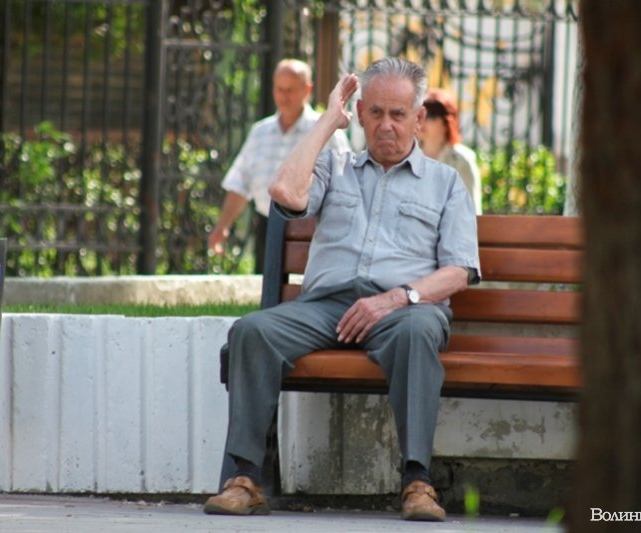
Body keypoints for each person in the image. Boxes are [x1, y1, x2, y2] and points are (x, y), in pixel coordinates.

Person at [203, 58, 480, 521]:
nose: (386, 125)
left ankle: (417, 483)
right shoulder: (336, 166)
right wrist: (327, 121)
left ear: (418, 118)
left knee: (417, 333)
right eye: (375, 112)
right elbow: (284, 193)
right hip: (325, 307)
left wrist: (396, 298)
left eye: (398, 114)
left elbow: (460, 271)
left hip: (404, 310)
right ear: (360, 114)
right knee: (251, 331)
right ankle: (246, 478)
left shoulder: (445, 183)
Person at [208, 58, 350, 272]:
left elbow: (345, 182)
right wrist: (223, 226)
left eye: (290, 90)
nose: (284, 97)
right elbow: (240, 183)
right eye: (279, 89)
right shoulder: (260, 132)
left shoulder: (326, 130)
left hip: (313, 228)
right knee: (266, 285)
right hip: (267, 227)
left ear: (307, 90)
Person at [418, 88, 483, 214]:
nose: (423, 121)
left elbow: (471, 210)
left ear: (447, 122)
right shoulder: (407, 156)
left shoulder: (461, 160)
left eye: (430, 116)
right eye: (420, 115)